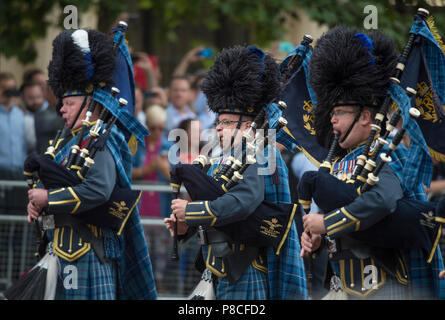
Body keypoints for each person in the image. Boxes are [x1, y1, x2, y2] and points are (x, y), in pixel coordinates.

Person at [301, 26, 445, 299]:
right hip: (345, 282)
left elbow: (384, 201)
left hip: (386, 280)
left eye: (339, 112)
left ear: (366, 117)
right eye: (331, 112)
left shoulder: (387, 153)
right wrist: (319, 238)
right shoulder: (337, 162)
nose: (332, 120)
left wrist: (327, 223)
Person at [164, 46, 307, 300]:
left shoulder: (262, 153)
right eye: (218, 122)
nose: (219, 129)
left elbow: (244, 202)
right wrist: (186, 226)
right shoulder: (217, 159)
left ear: (250, 125)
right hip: (213, 270)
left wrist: (191, 211)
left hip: (245, 270)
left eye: (227, 122)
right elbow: (215, 210)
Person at [26, 28, 157, 300]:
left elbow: (99, 190)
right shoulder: (65, 142)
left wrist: (49, 196)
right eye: (62, 103)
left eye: (69, 103)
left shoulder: (102, 140)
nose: (62, 109)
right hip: (59, 249)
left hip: (86, 251)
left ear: (91, 104)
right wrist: (38, 201)